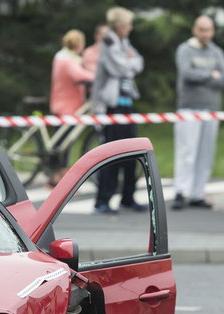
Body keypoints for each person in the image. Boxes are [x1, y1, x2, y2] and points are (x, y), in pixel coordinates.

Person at [172, 15, 224, 210]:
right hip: (189, 108)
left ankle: (197, 193)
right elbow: (187, 74)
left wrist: (204, 76)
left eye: (209, 30)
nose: (206, 34)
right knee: (187, 152)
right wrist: (210, 74)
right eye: (202, 30)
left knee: (206, 153)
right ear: (194, 30)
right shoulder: (185, 49)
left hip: (211, 109)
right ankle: (180, 191)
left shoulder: (217, 51)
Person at [90, 6, 145, 214]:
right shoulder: (109, 41)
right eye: (128, 24)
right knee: (112, 154)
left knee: (132, 152)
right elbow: (119, 68)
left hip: (127, 102)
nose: (131, 28)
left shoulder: (124, 42)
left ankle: (128, 197)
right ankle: (102, 200)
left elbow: (140, 63)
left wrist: (130, 61)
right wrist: (130, 61)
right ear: (120, 25)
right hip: (112, 105)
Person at [50, 30, 95, 116]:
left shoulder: (61, 56)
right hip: (67, 106)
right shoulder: (67, 60)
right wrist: (98, 76)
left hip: (61, 102)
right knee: (68, 129)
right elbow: (80, 75)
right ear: (79, 44)